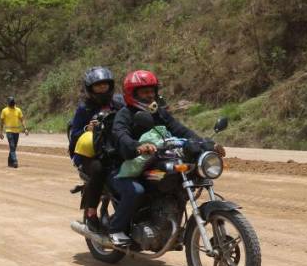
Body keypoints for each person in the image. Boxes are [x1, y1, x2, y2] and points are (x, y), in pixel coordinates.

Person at [109, 69, 226, 246]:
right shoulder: (124, 115)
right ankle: (116, 229)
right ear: (132, 94)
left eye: (151, 91)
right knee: (136, 191)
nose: (149, 96)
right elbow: (120, 136)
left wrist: (206, 144)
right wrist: (138, 146)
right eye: (144, 92)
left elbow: (180, 130)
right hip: (125, 167)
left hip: (152, 164)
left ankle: (168, 224)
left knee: (178, 180)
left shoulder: (159, 113)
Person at [68, 66, 124, 232]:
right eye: (97, 86)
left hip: (114, 148)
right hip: (90, 153)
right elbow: (75, 133)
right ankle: (92, 213)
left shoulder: (119, 103)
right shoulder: (84, 108)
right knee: (99, 170)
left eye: (104, 85)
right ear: (90, 88)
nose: (102, 88)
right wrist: (88, 128)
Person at [0, 97, 28, 168]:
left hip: (16, 132)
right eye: (11, 103)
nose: (12, 104)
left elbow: (22, 120)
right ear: (8, 103)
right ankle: (15, 161)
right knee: (12, 146)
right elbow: (1, 122)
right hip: (9, 132)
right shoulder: (4, 111)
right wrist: (1, 132)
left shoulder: (18, 110)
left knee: (13, 148)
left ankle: (9, 162)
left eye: (13, 103)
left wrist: (25, 129)